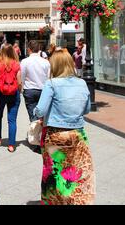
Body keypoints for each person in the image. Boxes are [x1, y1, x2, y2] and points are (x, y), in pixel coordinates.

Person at [33, 49, 95, 205]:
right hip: (78, 135)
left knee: (54, 172)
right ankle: (76, 200)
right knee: (77, 171)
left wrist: (36, 113)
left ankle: (56, 201)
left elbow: (40, 110)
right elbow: (87, 109)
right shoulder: (82, 83)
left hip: (55, 136)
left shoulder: (52, 83)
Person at [20, 40, 50, 152]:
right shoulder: (46, 62)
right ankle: (42, 139)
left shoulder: (25, 62)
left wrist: (21, 89)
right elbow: (48, 78)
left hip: (30, 90)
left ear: (29, 49)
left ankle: (36, 141)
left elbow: (22, 77)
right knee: (42, 116)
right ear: (39, 49)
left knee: (33, 116)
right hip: (43, 90)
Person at [0, 44, 22, 153]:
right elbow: (19, 81)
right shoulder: (16, 64)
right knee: (12, 120)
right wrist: (20, 90)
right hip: (14, 94)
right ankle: (11, 145)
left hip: (0, 93)